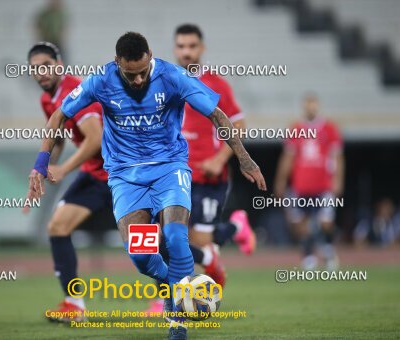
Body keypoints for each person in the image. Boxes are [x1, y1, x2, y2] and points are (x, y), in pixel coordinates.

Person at [27, 32, 266, 339]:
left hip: (170, 170)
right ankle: (180, 289)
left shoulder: (171, 76)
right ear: (117, 64)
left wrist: (244, 159)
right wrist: (40, 165)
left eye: (143, 72)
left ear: (150, 56)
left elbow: (218, 115)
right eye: (131, 74)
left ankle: (177, 322)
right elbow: (59, 116)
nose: (139, 80)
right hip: (126, 177)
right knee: (142, 256)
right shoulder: (101, 80)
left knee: (177, 237)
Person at [144, 23, 258, 314]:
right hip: (173, 178)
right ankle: (166, 298)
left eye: (192, 46)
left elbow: (239, 124)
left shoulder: (216, 85)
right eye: (181, 46)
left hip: (209, 179)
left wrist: (219, 160)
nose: (186, 52)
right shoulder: (162, 83)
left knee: (195, 243)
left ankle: (233, 228)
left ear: (202, 48)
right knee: (162, 238)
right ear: (174, 49)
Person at [26, 42, 111, 321]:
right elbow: (58, 137)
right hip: (95, 175)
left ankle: (176, 291)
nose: (41, 72)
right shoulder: (47, 100)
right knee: (58, 227)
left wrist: (63, 169)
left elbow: (95, 138)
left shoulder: (75, 91)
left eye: (46, 65)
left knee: (146, 242)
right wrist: (44, 168)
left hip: (121, 175)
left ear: (59, 65)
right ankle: (74, 305)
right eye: (35, 68)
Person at [274, 94, 344, 270]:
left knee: (326, 222)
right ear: (303, 106)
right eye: (307, 104)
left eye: (313, 104)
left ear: (318, 106)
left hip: (323, 184)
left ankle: (327, 251)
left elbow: (338, 156)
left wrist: (338, 180)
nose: (310, 107)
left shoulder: (329, 128)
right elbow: (288, 157)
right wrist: (281, 181)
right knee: (300, 223)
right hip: (301, 185)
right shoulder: (295, 128)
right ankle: (308, 256)